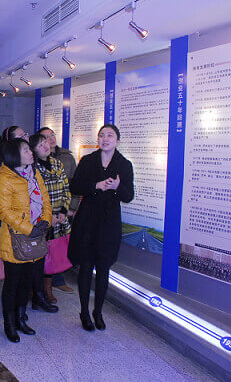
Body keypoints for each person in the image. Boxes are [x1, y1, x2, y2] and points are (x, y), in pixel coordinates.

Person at [68, 124, 134, 331]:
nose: (105, 139)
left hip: (109, 223)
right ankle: (84, 312)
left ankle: (98, 311)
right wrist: (95, 186)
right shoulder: (88, 161)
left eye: (110, 135)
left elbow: (129, 196)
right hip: (87, 220)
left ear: (117, 140)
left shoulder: (124, 164)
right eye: (102, 135)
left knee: (104, 268)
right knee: (86, 267)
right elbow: (74, 186)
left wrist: (116, 187)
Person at [0, 138, 51, 343]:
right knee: (12, 284)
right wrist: (29, 229)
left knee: (27, 283)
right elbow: (5, 212)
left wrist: (45, 221)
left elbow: (45, 200)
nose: (30, 152)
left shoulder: (34, 173)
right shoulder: (5, 178)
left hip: (35, 237)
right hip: (15, 240)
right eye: (26, 150)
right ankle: (9, 324)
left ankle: (20, 318)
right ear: (14, 155)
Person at [28, 133, 71, 310]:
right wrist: (47, 217)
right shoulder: (31, 168)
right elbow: (33, 196)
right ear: (33, 150)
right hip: (41, 220)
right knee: (38, 256)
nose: (46, 146)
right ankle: (35, 291)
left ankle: (47, 289)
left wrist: (63, 211)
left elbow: (66, 189)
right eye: (40, 145)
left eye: (45, 142)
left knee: (53, 255)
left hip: (58, 218)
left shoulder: (57, 163)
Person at [38, 127, 77, 295]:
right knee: (42, 248)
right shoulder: (34, 162)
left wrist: (69, 209)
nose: (51, 139)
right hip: (44, 213)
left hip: (62, 210)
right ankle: (40, 287)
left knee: (58, 246)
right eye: (46, 137)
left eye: (52, 135)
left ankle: (57, 281)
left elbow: (72, 186)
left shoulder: (66, 158)